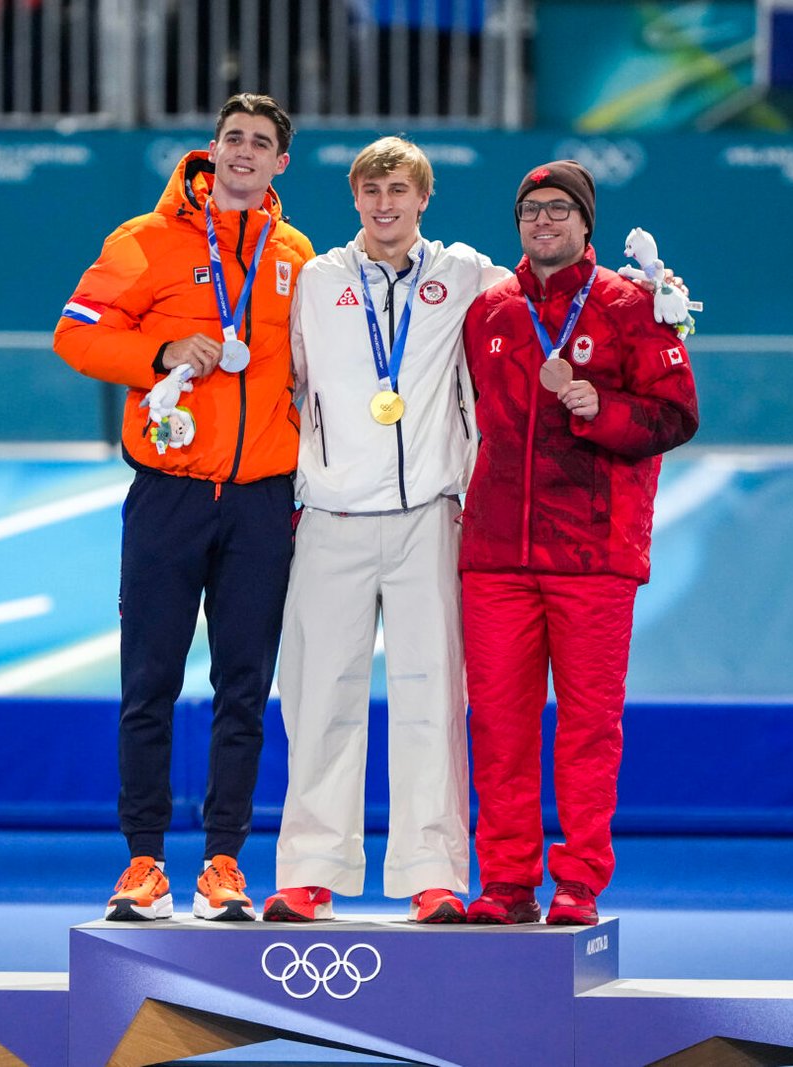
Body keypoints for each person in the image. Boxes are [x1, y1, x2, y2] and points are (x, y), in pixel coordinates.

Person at [53, 93, 314, 923]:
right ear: (210, 150)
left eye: (261, 143)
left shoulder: (299, 256)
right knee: (151, 681)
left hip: (263, 503)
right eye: (233, 137)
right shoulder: (145, 240)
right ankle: (142, 862)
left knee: (245, 687)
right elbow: (75, 333)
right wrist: (159, 350)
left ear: (281, 163)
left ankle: (225, 863)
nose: (244, 151)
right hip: (168, 496)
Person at [266, 136, 509, 924]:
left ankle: (432, 874)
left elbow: (548, 300)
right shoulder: (315, 279)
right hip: (332, 517)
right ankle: (308, 871)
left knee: (433, 696)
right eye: (371, 191)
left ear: (424, 197)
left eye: (398, 190)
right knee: (317, 696)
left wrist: (650, 300)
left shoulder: (467, 274)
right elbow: (288, 377)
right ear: (354, 197)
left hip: (430, 517)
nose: (384, 204)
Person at [459, 160, 699, 926]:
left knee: (589, 727)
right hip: (498, 553)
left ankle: (579, 881)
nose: (543, 222)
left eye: (559, 209)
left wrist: (602, 409)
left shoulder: (633, 308)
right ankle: (504, 880)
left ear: (587, 222)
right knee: (498, 726)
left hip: (592, 553)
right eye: (531, 210)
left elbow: (676, 416)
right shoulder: (491, 310)